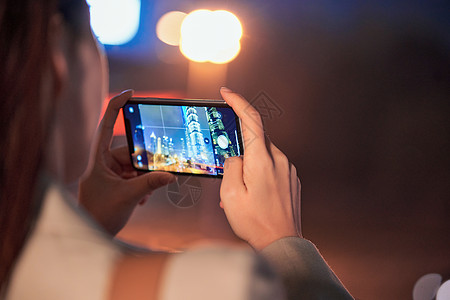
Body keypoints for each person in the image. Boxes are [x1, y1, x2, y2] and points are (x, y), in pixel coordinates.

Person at [0, 0, 353, 299]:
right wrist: (284, 242)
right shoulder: (224, 285)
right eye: (96, 36)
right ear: (58, 58)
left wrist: (90, 224)